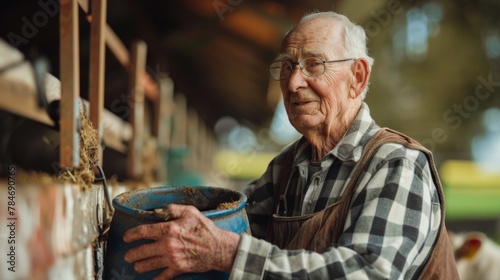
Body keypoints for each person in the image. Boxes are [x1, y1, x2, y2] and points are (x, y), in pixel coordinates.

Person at [122, 11, 458, 279]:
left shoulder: (396, 164)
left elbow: (368, 273)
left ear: (357, 77)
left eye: (314, 64)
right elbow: (225, 226)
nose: (294, 83)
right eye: (286, 67)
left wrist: (228, 253)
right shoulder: (286, 167)